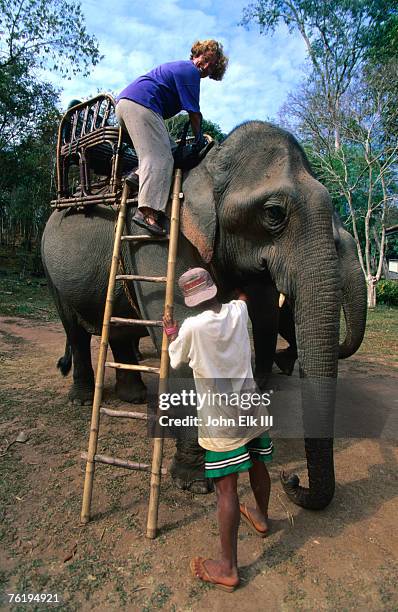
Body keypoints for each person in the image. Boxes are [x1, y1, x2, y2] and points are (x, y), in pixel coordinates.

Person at [163, 268, 273, 592]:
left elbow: (174, 361)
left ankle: (227, 568)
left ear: (189, 299)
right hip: (252, 408)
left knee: (227, 491)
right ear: (214, 289)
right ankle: (263, 518)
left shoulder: (191, 327)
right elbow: (241, 297)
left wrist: (170, 332)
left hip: (221, 421)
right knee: (259, 465)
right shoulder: (239, 311)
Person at [116, 40, 228, 236]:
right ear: (196, 55)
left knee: (170, 149)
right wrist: (199, 139)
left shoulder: (182, 69)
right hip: (141, 104)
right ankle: (147, 213)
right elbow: (194, 114)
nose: (207, 66)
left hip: (130, 104)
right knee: (162, 158)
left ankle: (138, 174)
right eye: (206, 59)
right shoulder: (190, 71)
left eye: (212, 66)